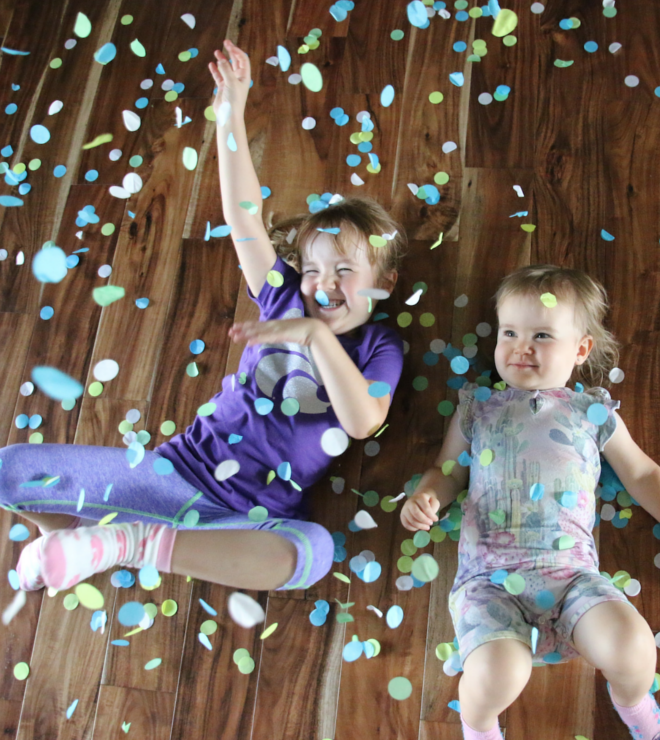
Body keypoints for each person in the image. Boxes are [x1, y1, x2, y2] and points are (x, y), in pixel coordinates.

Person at [2, 40, 406, 597]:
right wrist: (230, 115)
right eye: (312, 269)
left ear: (386, 284)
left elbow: (363, 422)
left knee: (311, 551)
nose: (324, 283)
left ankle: (130, 544)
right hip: (173, 475)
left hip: (247, 518)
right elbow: (243, 218)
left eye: (345, 270)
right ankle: (82, 541)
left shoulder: (379, 347)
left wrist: (315, 336)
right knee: (10, 468)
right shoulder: (282, 298)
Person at [400, 265, 660, 740]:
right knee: (497, 674)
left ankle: (634, 704)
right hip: (489, 583)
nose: (522, 347)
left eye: (541, 335)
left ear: (580, 350)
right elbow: (448, 470)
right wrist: (428, 495)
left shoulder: (591, 412)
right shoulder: (478, 408)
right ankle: (479, 727)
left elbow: (642, 474)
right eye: (510, 332)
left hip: (572, 577)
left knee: (634, 646)